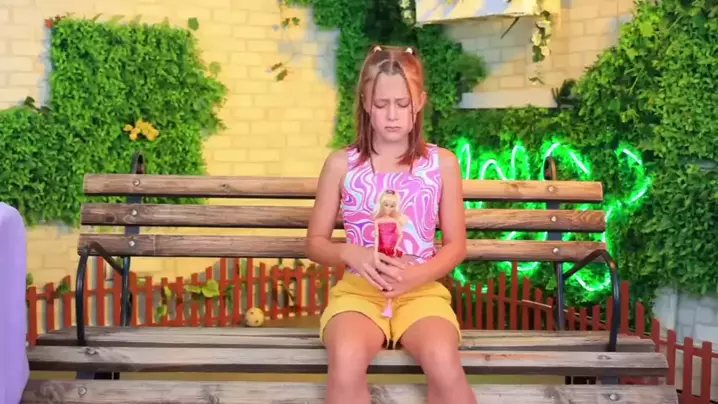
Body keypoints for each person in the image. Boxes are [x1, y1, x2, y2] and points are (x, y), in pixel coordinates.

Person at [306, 44, 476, 404]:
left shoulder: (442, 164)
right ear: (365, 102)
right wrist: (351, 253)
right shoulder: (341, 164)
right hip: (358, 294)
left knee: (443, 361)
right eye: (381, 104)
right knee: (346, 358)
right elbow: (315, 242)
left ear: (420, 101)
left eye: (403, 103)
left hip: (421, 291)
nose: (393, 115)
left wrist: (417, 275)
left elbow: (456, 246)